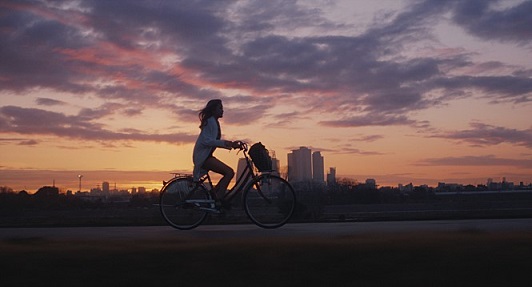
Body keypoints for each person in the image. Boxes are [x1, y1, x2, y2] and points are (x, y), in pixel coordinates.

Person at [192, 99, 240, 207]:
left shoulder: (213, 121)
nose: (222, 110)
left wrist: (230, 144)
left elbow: (212, 141)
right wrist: (228, 144)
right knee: (229, 172)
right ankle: (218, 200)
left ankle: (214, 195)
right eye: (220, 108)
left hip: (206, 156)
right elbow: (207, 141)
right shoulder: (210, 121)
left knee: (228, 172)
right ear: (213, 110)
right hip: (204, 157)